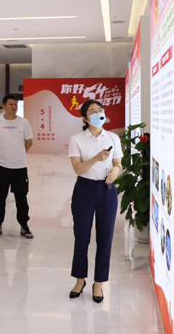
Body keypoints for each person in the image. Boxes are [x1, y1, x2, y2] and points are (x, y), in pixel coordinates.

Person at [68, 99, 122, 303]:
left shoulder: (113, 137)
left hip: (107, 190)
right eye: (93, 111)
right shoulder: (77, 139)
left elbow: (118, 163)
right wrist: (97, 158)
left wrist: (116, 171)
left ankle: (98, 283)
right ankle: (80, 280)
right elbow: (78, 168)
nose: (99, 113)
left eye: (100, 110)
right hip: (85, 189)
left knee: (105, 238)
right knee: (81, 236)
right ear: (85, 118)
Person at [0, 94, 34, 239]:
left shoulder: (23, 122)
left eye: (15, 104)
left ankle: (24, 225)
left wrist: (19, 154)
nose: (14, 107)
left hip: (19, 167)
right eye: (10, 104)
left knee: (21, 198)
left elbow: (29, 142)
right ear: (4, 106)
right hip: (1, 167)